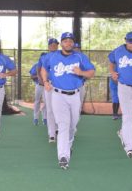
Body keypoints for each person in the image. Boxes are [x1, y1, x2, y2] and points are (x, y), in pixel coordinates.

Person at [41, 32, 95, 170]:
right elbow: (43, 68)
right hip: (58, 94)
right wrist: (46, 81)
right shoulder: (52, 56)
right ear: (61, 43)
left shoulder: (80, 57)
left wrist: (81, 73)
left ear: (73, 43)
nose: (68, 43)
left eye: (71, 41)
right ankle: (63, 157)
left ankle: (68, 145)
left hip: (75, 95)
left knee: (72, 125)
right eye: (65, 41)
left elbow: (91, 72)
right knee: (63, 125)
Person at [109, 31, 132, 158]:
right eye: (130, 42)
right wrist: (112, 72)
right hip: (123, 86)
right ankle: (129, 147)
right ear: (126, 41)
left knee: (131, 115)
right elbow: (111, 61)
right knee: (127, 116)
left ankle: (122, 132)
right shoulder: (118, 51)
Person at [39, 38, 59, 143]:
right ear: (48, 46)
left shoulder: (61, 54)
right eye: (51, 44)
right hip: (49, 84)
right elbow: (42, 70)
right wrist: (44, 81)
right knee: (50, 109)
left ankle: (58, 129)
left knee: (60, 109)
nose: (54, 46)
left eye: (55, 44)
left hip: (61, 85)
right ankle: (51, 134)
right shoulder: (45, 57)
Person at [29, 52, 47, 126]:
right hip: (39, 86)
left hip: (47, 86)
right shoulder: (36, 65)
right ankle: (35, 118)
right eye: (42, 58)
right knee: (37, 101)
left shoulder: (49, 65)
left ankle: (45, 118)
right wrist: (39, 76)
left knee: (47, 102)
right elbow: (32, 76)